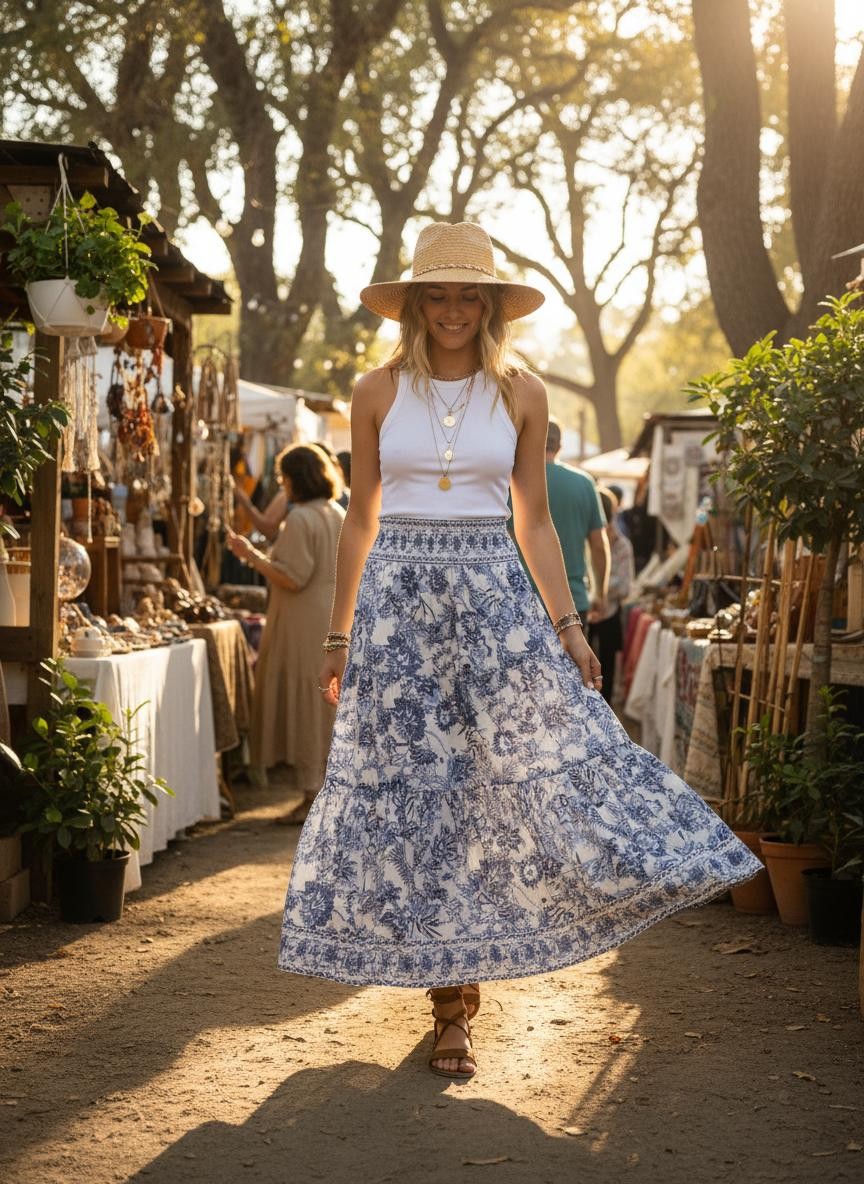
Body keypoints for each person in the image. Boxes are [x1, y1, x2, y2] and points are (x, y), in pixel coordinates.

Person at [276, 222, 761, 1080]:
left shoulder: (524, 393)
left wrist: (570, 628)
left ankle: (479, 976)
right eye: (440, 293)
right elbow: (361, 518)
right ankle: (449, 1004)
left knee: (505, 783)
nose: (455, 309)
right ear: (416, 302)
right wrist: (340, 632)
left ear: (492, 305)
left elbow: (534, 521)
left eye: (471, 295)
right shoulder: (376, 390)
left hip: (495, 600)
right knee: (423, 792)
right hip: (398, 609)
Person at [226, 444, 345, 821]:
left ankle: (312, 795)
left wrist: (250, 557)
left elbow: (293, 577)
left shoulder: (301, 518)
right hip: (330, 615)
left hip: (302, 619)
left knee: (306, 700)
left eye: (283, 479)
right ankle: (320, 790)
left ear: (294, 480)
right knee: (322, 703)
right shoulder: (337, 512)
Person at [540, 419, 610, 621]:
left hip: (525, 599)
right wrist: (600, 594)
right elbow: (598, 546)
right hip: (573, 599)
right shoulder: (584, 483)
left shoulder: (513, 482)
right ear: (560, 446)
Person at [588, 486, 635, 705]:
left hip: (609, 616)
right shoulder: (584, 541)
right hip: (584, 614)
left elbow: (626, 586)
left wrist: (600, 591)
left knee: (606, 671)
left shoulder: (622, 544)